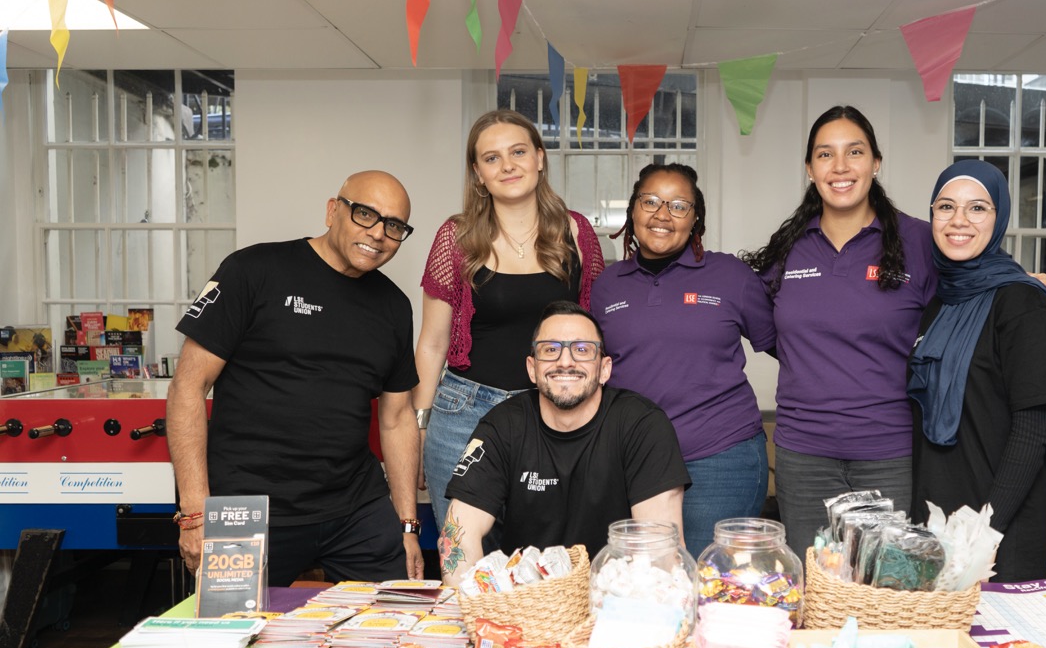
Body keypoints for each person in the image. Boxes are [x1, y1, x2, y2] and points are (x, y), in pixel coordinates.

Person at [167, 170, 424, 586]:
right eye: (365, 214)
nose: (378, 233)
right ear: (332, 211)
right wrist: (196, 512)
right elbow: (187, 388)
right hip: (246, 506)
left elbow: (396, 418)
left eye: (393, 225)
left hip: (354, 507)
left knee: (392, 628)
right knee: (231, 640)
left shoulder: (395, 306)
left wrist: (407, 525)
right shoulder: (252, 270)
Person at [743, 106, 935, 551]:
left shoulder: (919, 242)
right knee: (817, 580)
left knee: (885, 584)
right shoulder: (789, 248)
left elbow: (970, 298)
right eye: (825, 155)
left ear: (876, 162)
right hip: (803, 452)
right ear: (810, 169)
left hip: (890, 451)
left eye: (855, 152)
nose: (841, 166)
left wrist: (1020, 284)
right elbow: (776, 337)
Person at [415, 110, 605, 542]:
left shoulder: (576, 232)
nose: (508, 166)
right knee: (463, 549)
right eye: (492, 158)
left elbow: (593, 329)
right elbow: (432, 342)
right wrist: (419, 427)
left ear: (539, 158)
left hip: (554, 410)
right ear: (478, 175)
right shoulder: (457, 237)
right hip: (464, 411)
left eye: (518, 152)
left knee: (548, 551)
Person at [908, 159, 1046, 581]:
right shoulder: (940, 302)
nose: (959, 220)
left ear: (999, 216)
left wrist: (984, 532)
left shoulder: (1024, 305)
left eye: (977, 208)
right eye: (946, 207)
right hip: (938, 528)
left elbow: (1033, 432)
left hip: (1000, 536)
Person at [591, 163, 775, 557]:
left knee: (704, 581)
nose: (662, 214)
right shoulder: (606, 286)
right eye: (651, 201)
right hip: (633, 459)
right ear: (633, 212)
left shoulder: (731, 276)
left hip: (721, 456)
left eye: (678, 205)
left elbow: (789, 346)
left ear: (696, 220)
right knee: (644, 580)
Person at [437, 301, 689, 585]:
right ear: (532, 369)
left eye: (582, 350)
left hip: (618, 602)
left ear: (605, 369)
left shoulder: (643, 425)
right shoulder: (502, 425)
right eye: (550, 349)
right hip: (528, 604)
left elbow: (661, 552)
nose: (565, 361)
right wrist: (474, 609)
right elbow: (458, 535)